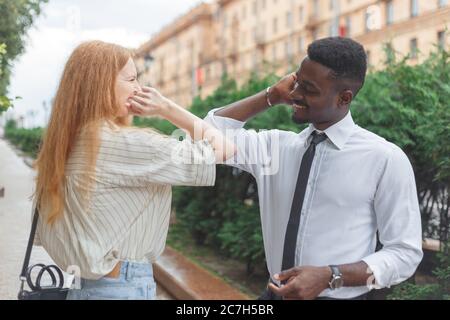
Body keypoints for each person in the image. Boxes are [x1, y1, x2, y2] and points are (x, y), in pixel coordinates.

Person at [204, 37, 423, 300]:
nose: (295, 94)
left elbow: (405, 254)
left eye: (309, 89)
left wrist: (331, 276)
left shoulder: (385, 159)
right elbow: (205, 136)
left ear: (344, 97)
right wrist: (271, 96)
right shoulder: (275, 148)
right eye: (296, 83)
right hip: (274, 295)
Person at [32, 40, 236, 300]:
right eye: (131, 79)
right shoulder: (124, 144)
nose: (139, 88)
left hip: (86, 287)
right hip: (121, 287)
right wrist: (167, 108)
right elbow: (224, 148)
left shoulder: (64, 144)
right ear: (101, 84)